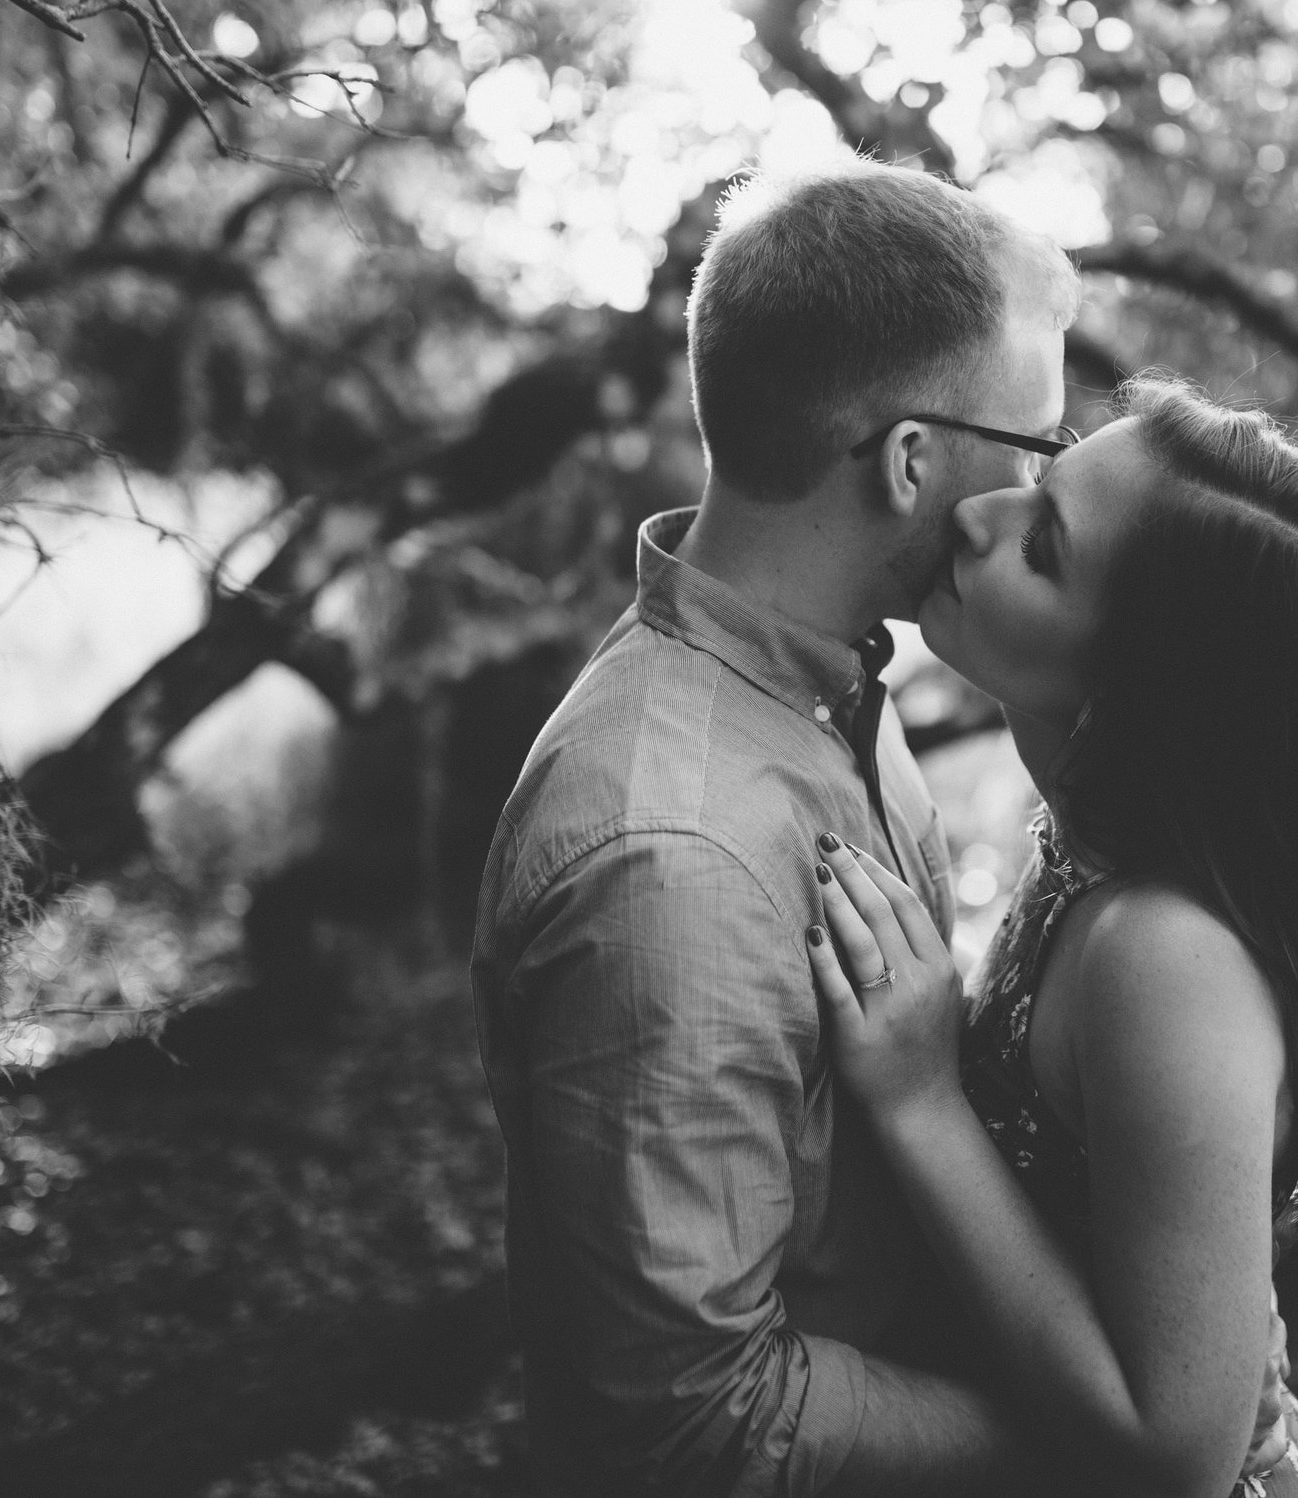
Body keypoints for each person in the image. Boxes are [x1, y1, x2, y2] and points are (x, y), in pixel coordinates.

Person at [468, 154, 1095, 1497]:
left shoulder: (838, 691)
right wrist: (1094, 1447)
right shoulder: (673, 854)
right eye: (1038, 445)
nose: (1045, 492)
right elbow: (691, 1421)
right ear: (914, 460)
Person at [806, 374, 1298, 1498]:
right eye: (1044, 476)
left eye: (1043, 546)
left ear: (1132, 696)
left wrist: (921, 1096)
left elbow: (1176, 1453)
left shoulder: (1167, 956)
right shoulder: (1087, 847)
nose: (973, 514)